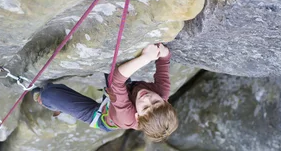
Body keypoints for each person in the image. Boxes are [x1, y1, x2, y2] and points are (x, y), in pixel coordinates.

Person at [33, 43, 178, 142]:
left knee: (48, 94)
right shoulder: (162, 92)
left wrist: (145, 58)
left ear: (137, 117)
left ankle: (57, 108)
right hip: (122, 93)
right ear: (165, 100)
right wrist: (164, 53)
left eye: (145, 107)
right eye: (155, 102)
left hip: (102, 116)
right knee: (112, 59)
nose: (147, 99)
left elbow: (116, 81)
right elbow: (164, 62)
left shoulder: (126, 117)